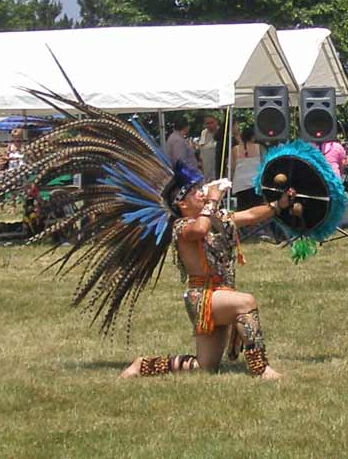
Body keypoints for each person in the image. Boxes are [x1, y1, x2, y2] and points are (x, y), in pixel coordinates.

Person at [120, 171, 295, 380]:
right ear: (182, 205)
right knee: (246, 302)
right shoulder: (182, 227)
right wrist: (212, 199)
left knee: (205, 366)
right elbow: (200, 230)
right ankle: (260, 368)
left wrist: (278, 205)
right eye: (194, 193)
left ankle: (144, 365)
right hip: (203, 297)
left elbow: (249, 216)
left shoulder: (216, 218)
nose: (200, 194)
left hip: (219, 294)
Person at [231, 126, 264, 211]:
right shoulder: (259, 147)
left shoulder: (235, 149)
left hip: (240, 183)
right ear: (253, 137)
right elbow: (264, 163)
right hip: (255, 182)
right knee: (257, 208)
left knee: (242, 208)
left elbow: (232, 167)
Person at [198, 115, 219, 181]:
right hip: (207, 169)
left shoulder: (221, 133)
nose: (210, 125)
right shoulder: (204, 133)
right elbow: (201, 151)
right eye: (208, 123)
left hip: (217, 169)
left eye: (212, 122)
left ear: (216, 122)